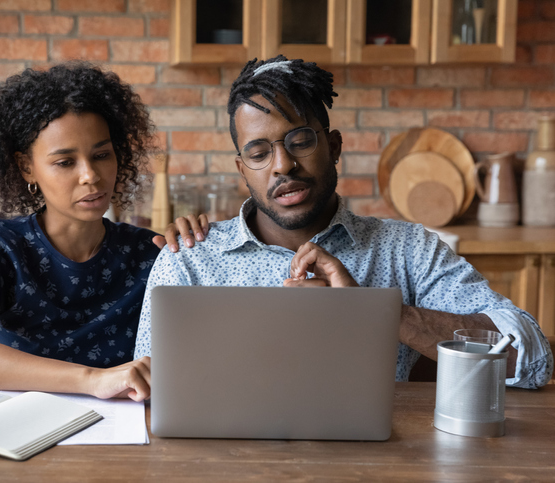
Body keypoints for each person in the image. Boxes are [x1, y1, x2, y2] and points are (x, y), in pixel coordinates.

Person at [134, 56, 553, 388]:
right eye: (260, 153)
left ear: (333, 147)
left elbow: (533, 357)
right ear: (242, 170)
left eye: (300, 141)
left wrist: (374, 311)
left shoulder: (408, 249)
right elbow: (147, 389)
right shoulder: (188, 259)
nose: (283, 164)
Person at [0, 62, 206, 400]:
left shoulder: (150, 253)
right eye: (65, 162)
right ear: (26, 167)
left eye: (101, 155)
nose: (90, 175)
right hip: (14, 432)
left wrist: (204, 246)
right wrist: (92, 380)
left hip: (125, 441)